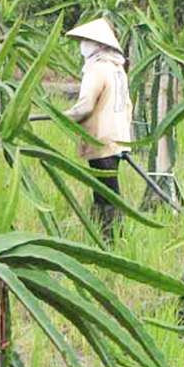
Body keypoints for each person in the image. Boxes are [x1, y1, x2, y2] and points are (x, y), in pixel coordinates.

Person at [63, 17, 132, 240]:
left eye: (86, 41)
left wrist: (61, 117)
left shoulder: (96, 69)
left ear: (97, 44)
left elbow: (85, 106)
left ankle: (109, 238)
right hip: (118, 138)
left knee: (104, 192)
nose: (83, 45)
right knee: (110, 188)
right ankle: (112, 235)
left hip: (100, 139)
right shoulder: (118, 69)